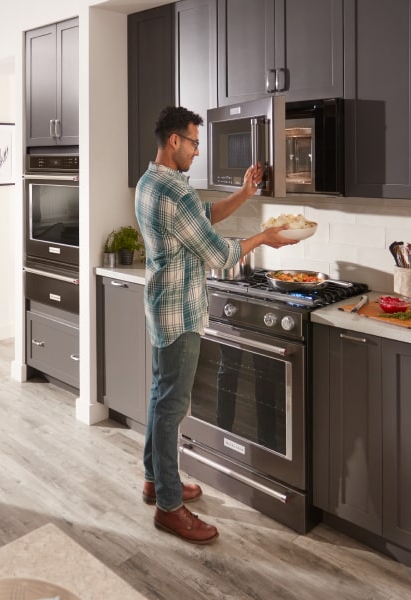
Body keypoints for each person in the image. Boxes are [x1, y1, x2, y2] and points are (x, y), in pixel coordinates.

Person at [134, 105, 298, 544]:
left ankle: (155, 480)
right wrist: (264, 236)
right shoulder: (175, 193)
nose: (197, 150)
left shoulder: (151, 182)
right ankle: (170, 506)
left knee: (159, 397)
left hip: (160, 305)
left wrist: (244, 194)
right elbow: (220, 254)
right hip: (180, 312)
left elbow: (201, 218)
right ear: (174, 142)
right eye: (193, 142)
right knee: (171, 408)